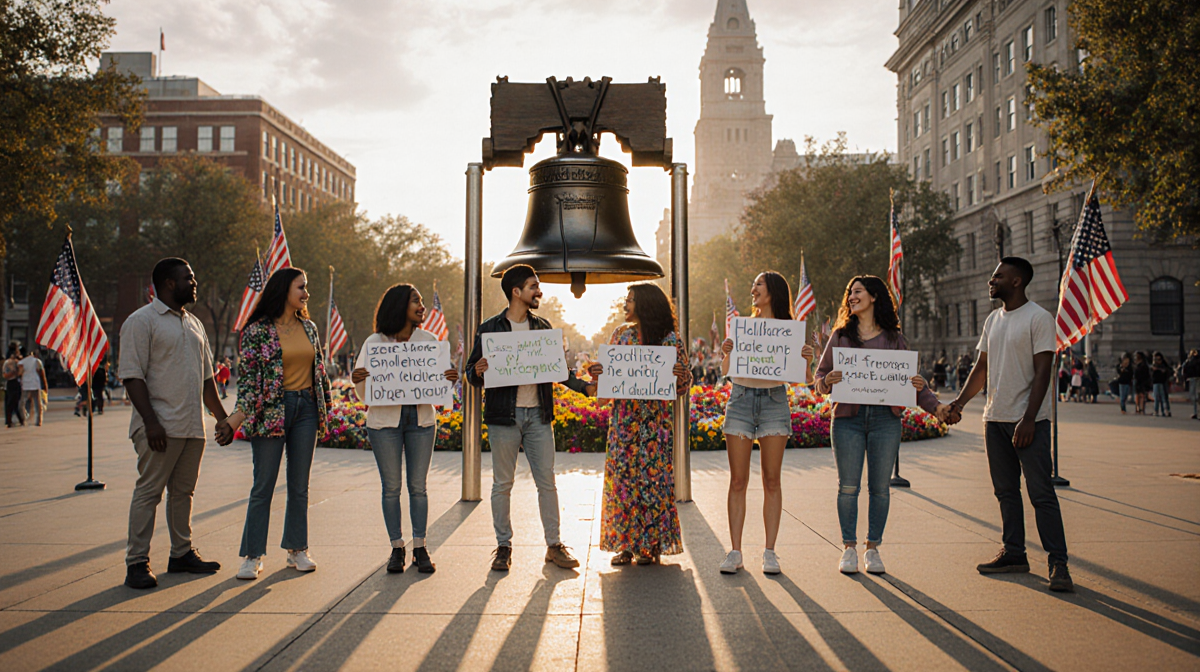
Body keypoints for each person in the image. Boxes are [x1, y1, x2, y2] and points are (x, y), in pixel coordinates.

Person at [943, 257, 1073, 592]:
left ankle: (1058, 563)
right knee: (1005, 492)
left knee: (1041, 493)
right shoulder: (993, 320)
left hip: (1029, 422)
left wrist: (1029, 418)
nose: (991, 280)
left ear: (1017, 281)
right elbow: (981, 368)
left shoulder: (1039, 319)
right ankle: (1014, 553)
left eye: (998, 276)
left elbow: (1043, 371)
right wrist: (959, 404)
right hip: (995, 419)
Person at [465, 265, 595, 572]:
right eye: (534, 286)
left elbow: (558, 370)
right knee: (502, 484)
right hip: (503, 418)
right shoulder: (490, 329)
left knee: (546, 482)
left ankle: (554, 545)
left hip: (538, 415)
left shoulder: (543, 327)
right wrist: (478, 371)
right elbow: (471, 373)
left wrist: (586, 387)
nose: (539, 291)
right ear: (516, 292)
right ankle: (503, 546)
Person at [814, 275, 940, 576]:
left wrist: (937, 406)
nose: (851, 298)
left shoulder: (895, 340)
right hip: (848, 420)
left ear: (873, 297)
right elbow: (819, 379)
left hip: (886, 420)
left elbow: (914, 386)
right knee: (848, 487)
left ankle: (872, 548)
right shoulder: (841, 336)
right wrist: (826, 382)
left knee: (880, 488)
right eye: (849, 294)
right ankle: (848, 548)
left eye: (857, 292)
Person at [119, 258, 231, 590]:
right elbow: (132, 375)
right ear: (169, 283)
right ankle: (136, 562)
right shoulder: (141, 321)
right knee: (149, 492)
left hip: (191, 426)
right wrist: (151, 423)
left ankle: (181, 553)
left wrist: (223, 420)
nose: (194, 283)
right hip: (159, 427)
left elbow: (207, 380)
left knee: (184, 493)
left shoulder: (194, 323)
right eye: (189, 278)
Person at [222, 267, 332, 581]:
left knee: (299, 486)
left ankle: (297, 549)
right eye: (302, 287)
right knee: (263, 486)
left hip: (306, 409)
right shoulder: (256, 331)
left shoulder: (309, 328)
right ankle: (252, 556)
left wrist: (329, 404)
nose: (306, 293)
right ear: (285, 290)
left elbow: (320, 373)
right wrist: (235, 419)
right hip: (271, 410)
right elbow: (248, 383)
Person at [351, 284, 459, 574]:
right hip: (384, 423)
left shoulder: (429, 339)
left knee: (418, 487)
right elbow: (365, 394)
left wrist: (448, 379)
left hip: (420, 421)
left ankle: (420, 547)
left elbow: (438, 385)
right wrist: (358, 378)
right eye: (416, 301)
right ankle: (397, 547)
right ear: (399, 306)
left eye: (422, 302)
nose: (422, 307)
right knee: (391, 488)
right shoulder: (375, 343)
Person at [718, 272, 815, 575]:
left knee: (772, 480)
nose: (753, 290)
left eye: (758, 285)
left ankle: (769, 552)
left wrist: (807, 361)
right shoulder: (742, 327)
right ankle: (735, 552)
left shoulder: (790, 330)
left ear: (772, 290)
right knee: (738, 480)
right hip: (741, 399)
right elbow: (726, 371)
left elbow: (807, 379)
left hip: (774, 401)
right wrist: (727, 353)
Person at [596, 283, 691, 566]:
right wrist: (600, 373)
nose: (626, 305)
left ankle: (650, 544)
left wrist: (680, 374)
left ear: (647, 304)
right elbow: (608, 383)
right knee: (623, 482)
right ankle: (625, 545)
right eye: (626, 300)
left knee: (654, 483)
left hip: (655, 426)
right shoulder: (620, 336)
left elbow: (682, 387)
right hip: (624, 422)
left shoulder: (670, 340)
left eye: (631, 300)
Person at [18, 348, 48, 427]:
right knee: (38, 403)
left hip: (26, 385)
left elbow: (19, 373)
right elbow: (42, 373)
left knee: (21, 403)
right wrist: (45, 385)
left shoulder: (21, 362)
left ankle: (24, 418)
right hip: (35, 383)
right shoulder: (37, 361)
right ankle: (39, 421)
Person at [4, 344, 24, 427]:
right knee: (12, 402)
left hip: (12, 382)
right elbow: (18, 372)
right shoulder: (13, 361)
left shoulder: (10, 361)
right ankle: (10, 421)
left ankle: (16, 420)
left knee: (13, 403)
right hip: (13, 382)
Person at [1150, 352, 1172, 417]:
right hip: (1156, 383)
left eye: (1159, 359)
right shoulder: (1153, 366)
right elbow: (1151, 375)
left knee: (1163, 397)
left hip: (1163, 383)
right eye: (1156, 359)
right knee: (1156, 397)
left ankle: (1165, 411)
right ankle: (1156, 410)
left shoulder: (1164, 366)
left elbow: (1167, 372)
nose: (1158, 361)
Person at [1184, 349, 1200, 420]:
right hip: (1192, 378)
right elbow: (1185, 369)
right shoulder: (1189, 361)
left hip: (1198, 378)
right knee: (1194, 397)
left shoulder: (1197, 360)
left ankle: (1197, 413)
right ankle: (1195, 412)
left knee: (1198, 396)